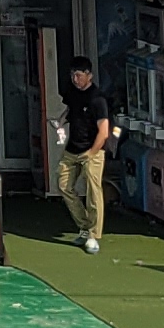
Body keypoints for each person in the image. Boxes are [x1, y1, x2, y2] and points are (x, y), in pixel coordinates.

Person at [58, 53, 108, 254]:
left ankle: (94, 235)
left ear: (89, 75)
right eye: (73, 75)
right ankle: (85, 226)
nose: (75, 79)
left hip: (92, 151)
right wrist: (60, 121)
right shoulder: (72, 92)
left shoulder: (98, 99)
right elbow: (71, 110)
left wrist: (92, 153)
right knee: (64, 186)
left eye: (79, 75)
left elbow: (104, 132)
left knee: (94, 192)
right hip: (72, 149)